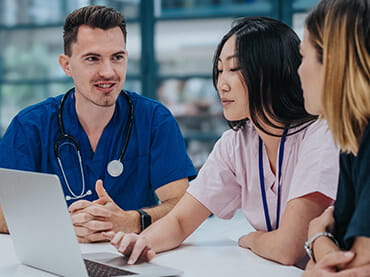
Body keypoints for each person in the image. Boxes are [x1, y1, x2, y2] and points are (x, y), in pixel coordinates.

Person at [104, 16, 339, 267]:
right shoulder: (236, 143)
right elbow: (181, 221)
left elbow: (288, 249)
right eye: (219, 70)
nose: (221, 84)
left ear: (271, 70)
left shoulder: (320, 135)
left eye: (234, 69)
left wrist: (253, 239)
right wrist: (142, 242)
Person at [0, 5, 197, 242]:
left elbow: (182, 206)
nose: (108, 72)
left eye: (117, 57)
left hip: (133, 259)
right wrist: (63, 224)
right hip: (53, 259)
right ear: (66, 64)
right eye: (93, 59)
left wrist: (131, 221)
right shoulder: (30, 126)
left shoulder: (154, 120)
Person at [298, 0, 370, 275]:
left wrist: (316, 237)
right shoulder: (352, 143)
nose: (298, 71)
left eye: (304, 56)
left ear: (334, 62)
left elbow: (347, 268)